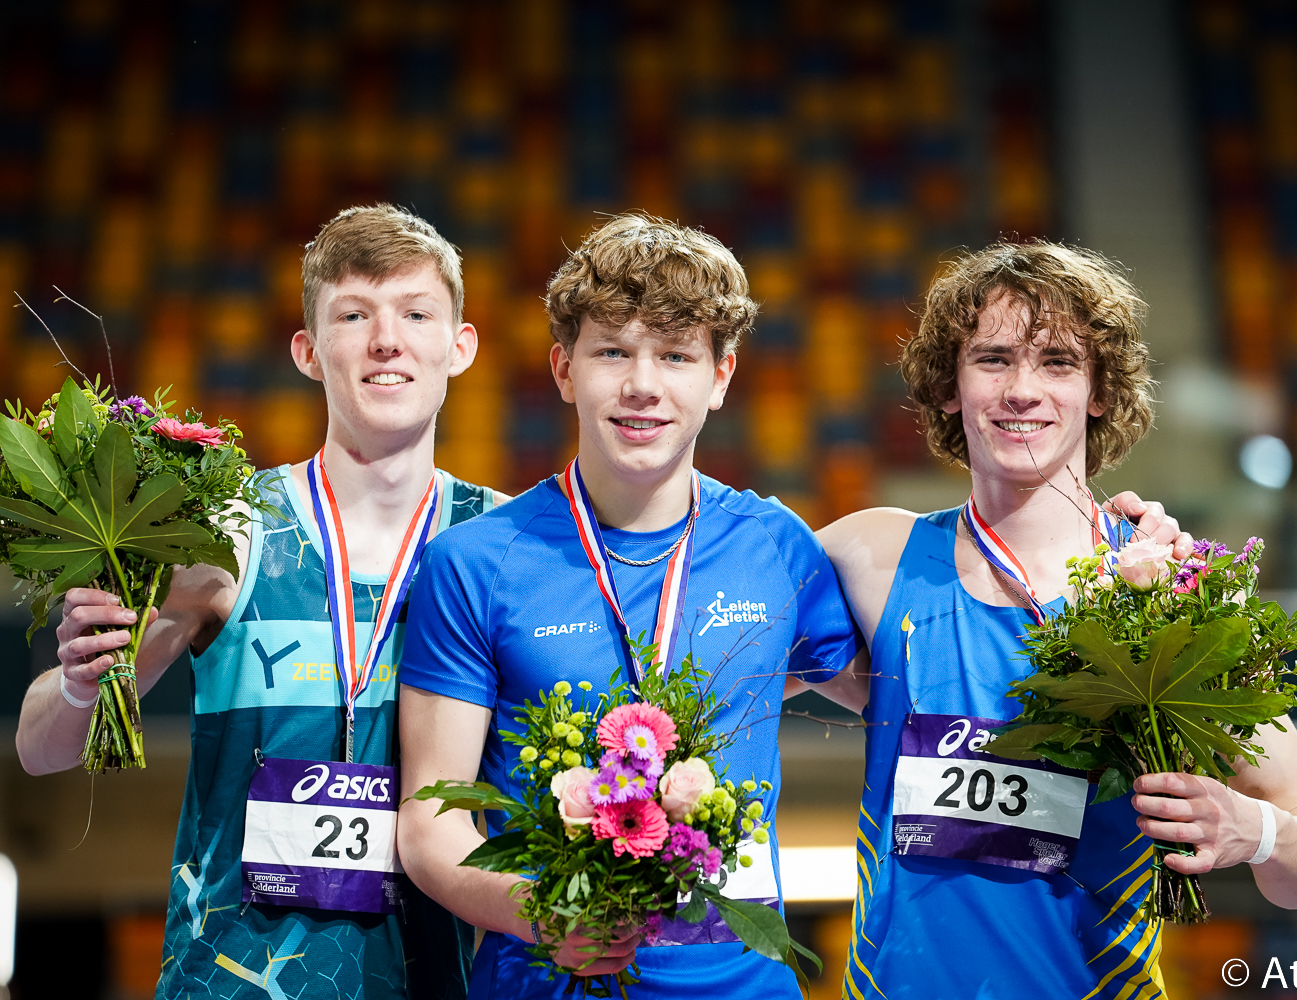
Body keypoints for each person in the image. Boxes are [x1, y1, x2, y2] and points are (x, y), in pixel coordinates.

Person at [816, 240, 1297, 1000]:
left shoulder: (1176, 591)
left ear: (1098, 390)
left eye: (1058, 362)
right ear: (947, 386)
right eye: (993, 359)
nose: (1022, 390)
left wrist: (1250, 830)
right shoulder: (872, 557)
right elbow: (706, 599)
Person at [15, 204, 498, 1000]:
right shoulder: (224, 530)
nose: (387, 339)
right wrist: (77, 680)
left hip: (438, 980)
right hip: (232, 980)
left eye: (416, 312)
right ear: (308, 351)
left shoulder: (501, 546)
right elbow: (43, 749)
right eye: (353, 314)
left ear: (461, 345)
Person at [396, 215, 871, 1000]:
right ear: (563, 368)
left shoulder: (776, 545)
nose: (642, 384)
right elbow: (427, 822)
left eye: (676, 355)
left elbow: (901, 703)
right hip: (542, 983)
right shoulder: (475, 563)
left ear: (720, 377)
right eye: (612, 350)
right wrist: (543, 914)